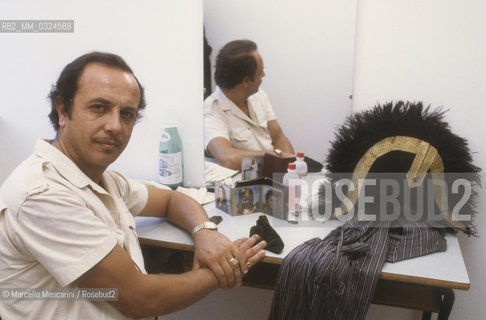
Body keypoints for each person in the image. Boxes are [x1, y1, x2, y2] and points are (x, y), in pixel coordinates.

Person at [0, 52, 266, 320]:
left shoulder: (101, 178)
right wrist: (226, 267)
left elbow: (171, 201)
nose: (115, 126)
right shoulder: (42, 194)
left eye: (127, 114)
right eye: (99, 108)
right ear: (62, 111)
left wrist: (205, 232)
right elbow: (140, 300)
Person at [204, 40, 294, 169]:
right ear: (246, 81)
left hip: (274, 176)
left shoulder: (259, 95)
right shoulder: (211, 111)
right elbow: (227, 158)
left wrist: (290, 169)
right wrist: (275, 156)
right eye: (260, 72)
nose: (263, 75)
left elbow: (279, 138)